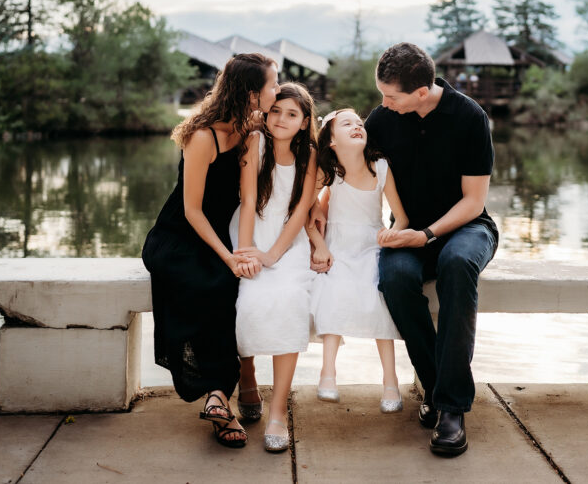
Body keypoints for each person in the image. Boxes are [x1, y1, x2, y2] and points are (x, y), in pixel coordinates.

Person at [366, 42, 498, 457]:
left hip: (465, 227)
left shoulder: (469, 117)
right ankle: (438, 388)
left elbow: (473, 201)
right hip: (406, 229)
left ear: (421, 92)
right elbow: (343, 163)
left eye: (391, 95)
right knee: (395, 278)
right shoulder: (384, 118)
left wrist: (427, 235)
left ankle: (451, 408)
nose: (383, 103)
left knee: (457, 265)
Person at [142, 52, 279, 449]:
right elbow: (191, 210)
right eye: (272, 84)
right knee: (214, 284)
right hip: (179, 237)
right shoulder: (204, 135)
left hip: (218, 233)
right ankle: (218, 393)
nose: (277, 90)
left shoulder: (251, 126)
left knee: (230, 289)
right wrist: (228, 255)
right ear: (253, 94)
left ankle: (219, 397)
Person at [230, 82, 319, 452]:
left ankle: (278, 411)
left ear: (304, 121)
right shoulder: (256, 143)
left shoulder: (309, 154)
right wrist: (248, 251)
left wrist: (275, 254)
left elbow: (300, 210)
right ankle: (246, 373)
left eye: (292, 114)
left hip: (288, 237)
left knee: (289, 300)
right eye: (276, 110)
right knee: (247, 298)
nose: (281, 118)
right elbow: (250, 200)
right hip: (251, 228)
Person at [306, 108, 409, 413]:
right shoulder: (330, 173)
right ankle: (327, 372)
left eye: (359, 123)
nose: (356, 126)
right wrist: (320, 246)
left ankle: (390, 380)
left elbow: (400, 218)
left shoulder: (381, 168)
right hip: (337, 247)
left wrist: (393, 234)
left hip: (370, 246)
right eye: (346, 123)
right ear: (332, 141)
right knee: (331, 287)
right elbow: (307, 212)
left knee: (377, 293)